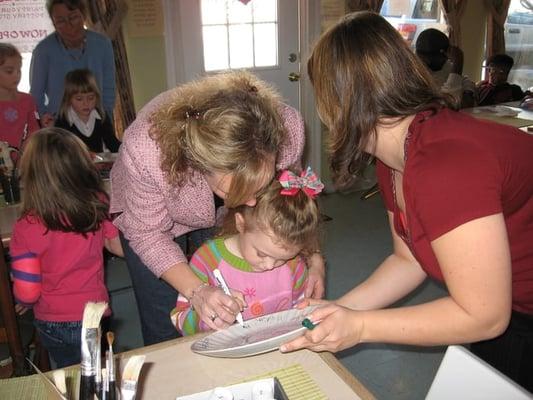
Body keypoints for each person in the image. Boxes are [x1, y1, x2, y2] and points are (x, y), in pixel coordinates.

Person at [281, 12, 533, 392]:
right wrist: (338, 313)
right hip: (508, 303)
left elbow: (484, 317)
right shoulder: (395, 153)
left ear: (337, 101)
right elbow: (408, 258)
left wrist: (360, 327)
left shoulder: (442, 166)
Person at [110, 71, 326, 346]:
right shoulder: (147, 150)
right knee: (164, 323)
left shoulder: (287, 129)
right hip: (150, 219)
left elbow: (292, 203)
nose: (250, 202)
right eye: (236, 191)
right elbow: (147, 233)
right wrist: (197, 291)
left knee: (228, 309)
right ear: (201, 167)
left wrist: (314, 257)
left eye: (260, 188)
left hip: (213, 206)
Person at [10, 128, 123, 368]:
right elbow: (118, 246)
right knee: (98, 372)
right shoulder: (98, 204)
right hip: (94, 313)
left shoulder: (26, 226)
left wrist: (23, 300)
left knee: (69, 375)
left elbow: (28, 291)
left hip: (54, 320)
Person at [171, 167, 323, 335]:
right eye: (262, 254)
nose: (270, 265)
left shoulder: (295, 265)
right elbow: (180, 320)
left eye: (282, 259)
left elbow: (300, 313)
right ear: (240, 223)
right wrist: (214, 316)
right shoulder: (207, 260)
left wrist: (310, 325)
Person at [30, 0, 115, 127]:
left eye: (73, 17)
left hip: (96, 122)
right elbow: (36, 95)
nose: (69, 25)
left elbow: (109, 88)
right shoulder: (43, 51)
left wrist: (104, 120)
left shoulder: (102, 44)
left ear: (83, 15)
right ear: (53, 23)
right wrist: (45, 120)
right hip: (59, 125)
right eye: (60, 21)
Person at [55, 69, 120, 153]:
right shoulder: (63, 121)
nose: (86, 103)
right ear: (68, 99)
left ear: (97, 97)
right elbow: (61, 153)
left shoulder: (102, 116)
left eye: (90, 98)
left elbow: (112, 144)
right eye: (79, 99)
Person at [415, 28, 476, 108]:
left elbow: (463, 79)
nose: (447, 59)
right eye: (444, 56)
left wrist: (468, 92)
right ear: (426, 58)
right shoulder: (412, 75)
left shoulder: (439, 64)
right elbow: (447, 103)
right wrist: (458, 63)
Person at [0, 43, 41, 148]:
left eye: (19, 70)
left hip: (22, 160)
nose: (16, 75)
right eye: (9, 71)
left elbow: (34, 130)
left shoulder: (27, 100)